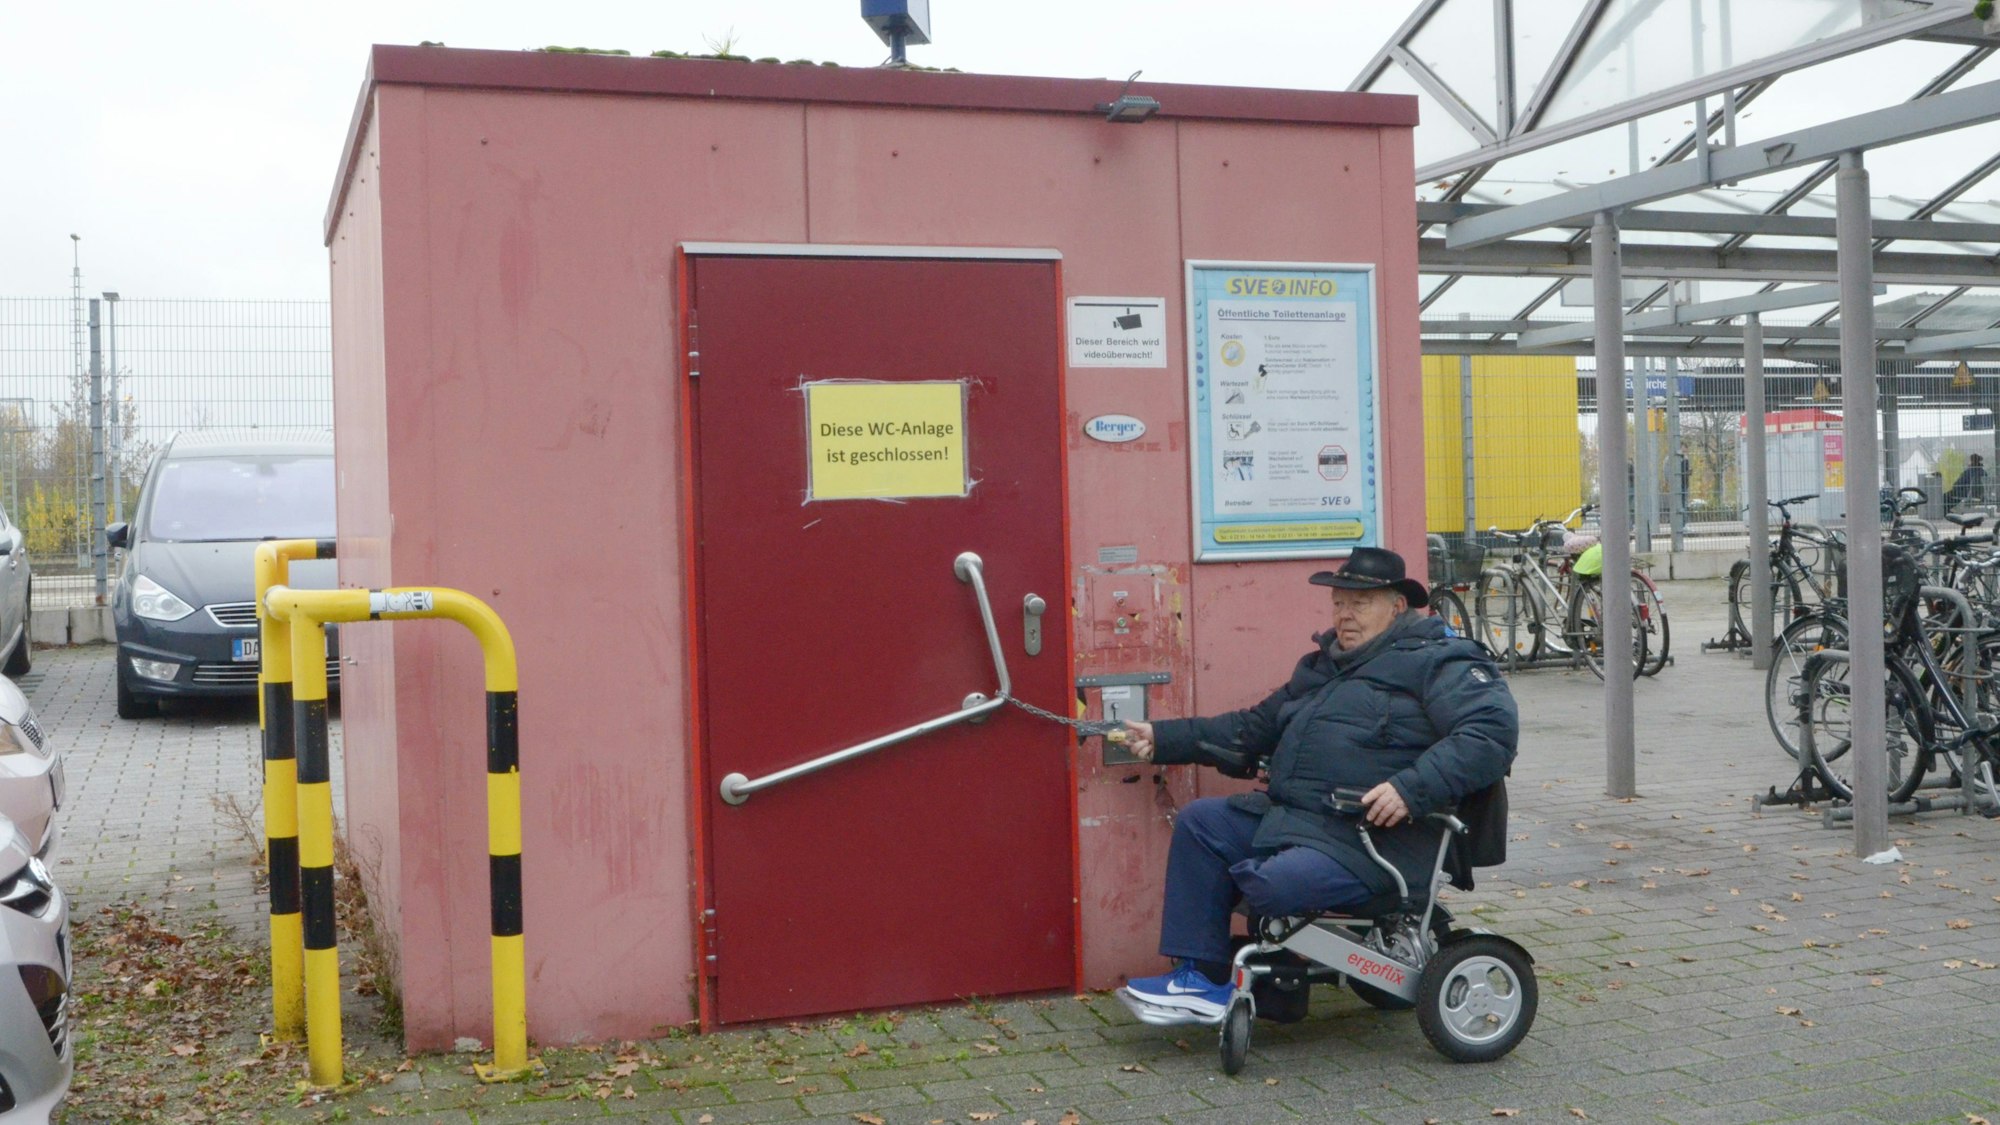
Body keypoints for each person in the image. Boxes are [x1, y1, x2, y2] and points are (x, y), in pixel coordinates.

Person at [1114, 546, 1519, 1021]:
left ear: (1397, 606)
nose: (1345, 615)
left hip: (1374, 839)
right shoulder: (1324, 667)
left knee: (1272, 884)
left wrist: (1411, 789)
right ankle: (1199, 980)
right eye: (1339, 602)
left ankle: (1267, 974)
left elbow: (1491, 732)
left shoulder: (1440, 660)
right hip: (1298, 821)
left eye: (1360, 603)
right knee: (1204, 823)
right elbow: (1251, 729)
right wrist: (1163, 738)